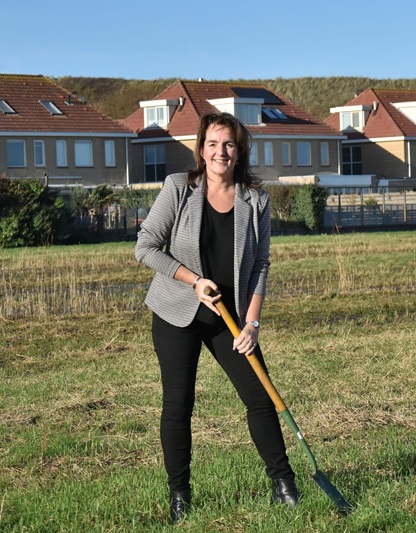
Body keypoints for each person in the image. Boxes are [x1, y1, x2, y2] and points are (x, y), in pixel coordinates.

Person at [135, 112, 297, 524]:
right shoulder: (178, 188)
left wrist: (252, 324)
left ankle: (284, 486)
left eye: (228, 144)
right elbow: (146, 247)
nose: (220, 152)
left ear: (238, 150)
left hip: (231, 319)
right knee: (178, 404)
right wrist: (194, 281)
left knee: (260, 397)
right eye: (212, 144)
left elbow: (261, 263)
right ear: (201, 149)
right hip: (177, 311)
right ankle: (180, 496)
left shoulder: (255, 198)